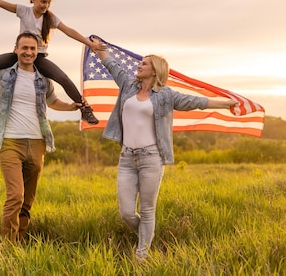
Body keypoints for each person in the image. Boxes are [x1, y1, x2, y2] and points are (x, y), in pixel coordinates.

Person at [90, 36, 238, 260]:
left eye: (144, 63)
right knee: (127, 213)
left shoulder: (166, 96)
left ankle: (142, 256)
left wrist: (226, 103)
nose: (139, 65)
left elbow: (196, 102)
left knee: (148, 210)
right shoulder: (128, 85)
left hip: (152, 158)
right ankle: (146, 238)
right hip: (127, 158)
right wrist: (97, 48)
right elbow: (111, 65)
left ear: (155, 70)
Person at [0, 32, 80, 243]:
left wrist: (70, 107)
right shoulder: (4, 74)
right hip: (10, 141)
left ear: (37, 52)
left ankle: (20, 242)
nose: (28, 52)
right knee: (15, 196)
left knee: (27, 200)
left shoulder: (44, 78)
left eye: (32, 49)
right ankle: (8, 247)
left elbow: (52, 102)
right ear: (16, 49)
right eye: (24, 48)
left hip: (37, 142)